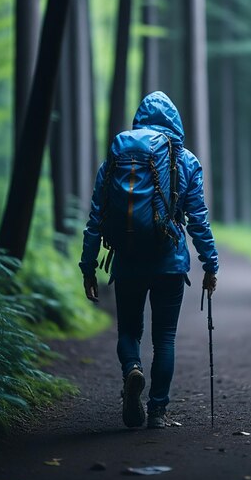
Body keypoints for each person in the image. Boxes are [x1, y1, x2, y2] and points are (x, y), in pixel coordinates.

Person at [79, 91, 219, 429]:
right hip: (169, 262)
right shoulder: (184, 159)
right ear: (175, 121)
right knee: (165, 338)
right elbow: (197, 219)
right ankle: (157, 411)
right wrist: (210, 263)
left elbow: (96, 216)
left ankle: (132, 370)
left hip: (126, 260)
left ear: (139, 120)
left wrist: (88, 267)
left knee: (129, 329)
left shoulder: (116, 157)